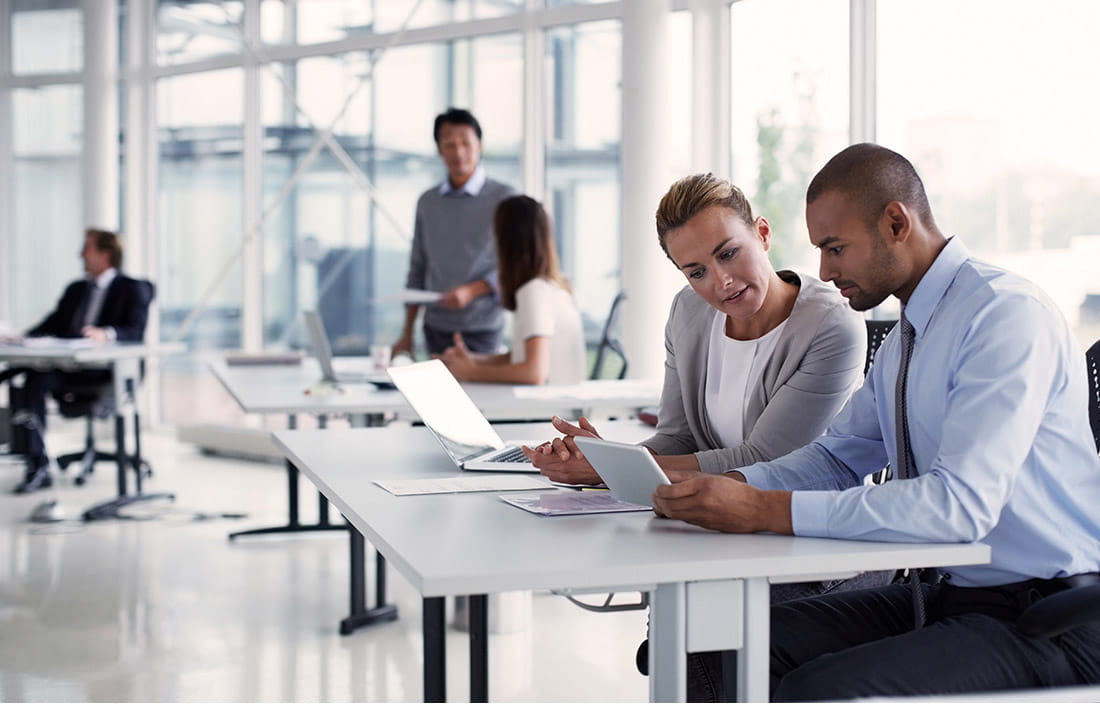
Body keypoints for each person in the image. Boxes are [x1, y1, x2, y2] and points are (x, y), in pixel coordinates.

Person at [652, 143, 1100, 700]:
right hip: (953, 594)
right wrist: (726, 489)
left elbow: (959, 505)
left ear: (895, 222)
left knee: (817, 689)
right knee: (715, 643)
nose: (823, 270)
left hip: (1053, 615)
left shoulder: (1002, 316)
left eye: (835, 248)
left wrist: (763, 508)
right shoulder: (910, 335)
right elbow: (837, 455)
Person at [4, 229, 153, 493]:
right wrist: (21, 338)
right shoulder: (76, 289)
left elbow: (136, 331)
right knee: (31, 381)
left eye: (87, 248)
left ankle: (125, 491)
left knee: (30, 377)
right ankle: (37, 465)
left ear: (105, 254)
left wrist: (106, 333)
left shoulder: (133, 288)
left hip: (105, 373)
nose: (81, 254)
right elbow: (52, 323)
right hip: (69, 367)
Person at [393, 107, 516, 358]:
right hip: (436, 328)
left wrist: (474, 290)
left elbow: (516, 264)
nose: (458, 152)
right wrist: (407, 333)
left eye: (465, 143)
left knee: (483, 398)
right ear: (439, 150)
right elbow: (418, 267)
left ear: (479, 145)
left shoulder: (505, 199)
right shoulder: (427, 202)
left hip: (482, 328)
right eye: (449, 144)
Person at [438, 195, 585, 385]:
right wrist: (471, 360)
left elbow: (534, 372)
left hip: (543, 411)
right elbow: (519, 357)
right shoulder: (553, 288)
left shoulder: (534, 292)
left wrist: (470, 372)